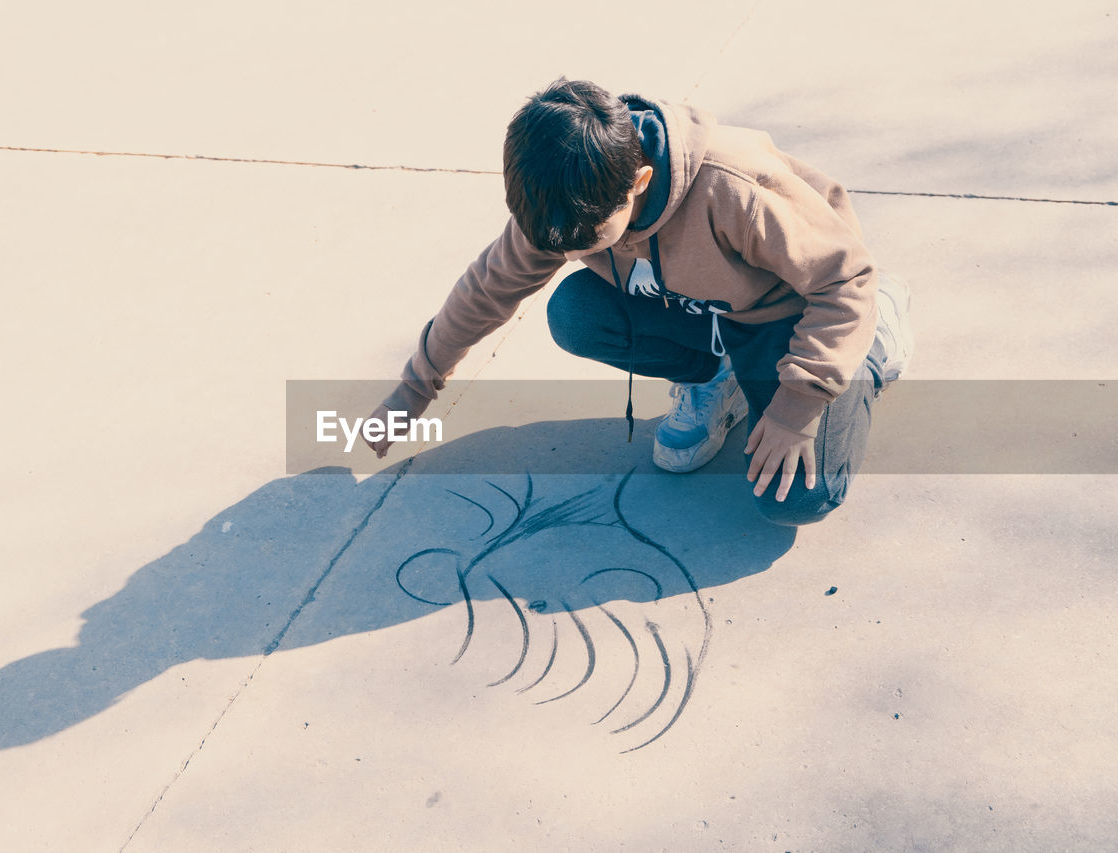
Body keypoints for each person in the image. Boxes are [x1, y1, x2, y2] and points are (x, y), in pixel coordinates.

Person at [364, 78, 913, 526]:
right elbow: (485, 291)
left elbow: (844, 281)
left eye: (588, 240)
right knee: (577, 313)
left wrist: (797, 408)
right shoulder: (562, 200)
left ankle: (874, 335)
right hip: (706, 313)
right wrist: (412, 392)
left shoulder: (733, 189)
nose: (569, 251)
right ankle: (718, 379)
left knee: (796, 502)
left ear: (640, 182)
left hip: (792, 312)